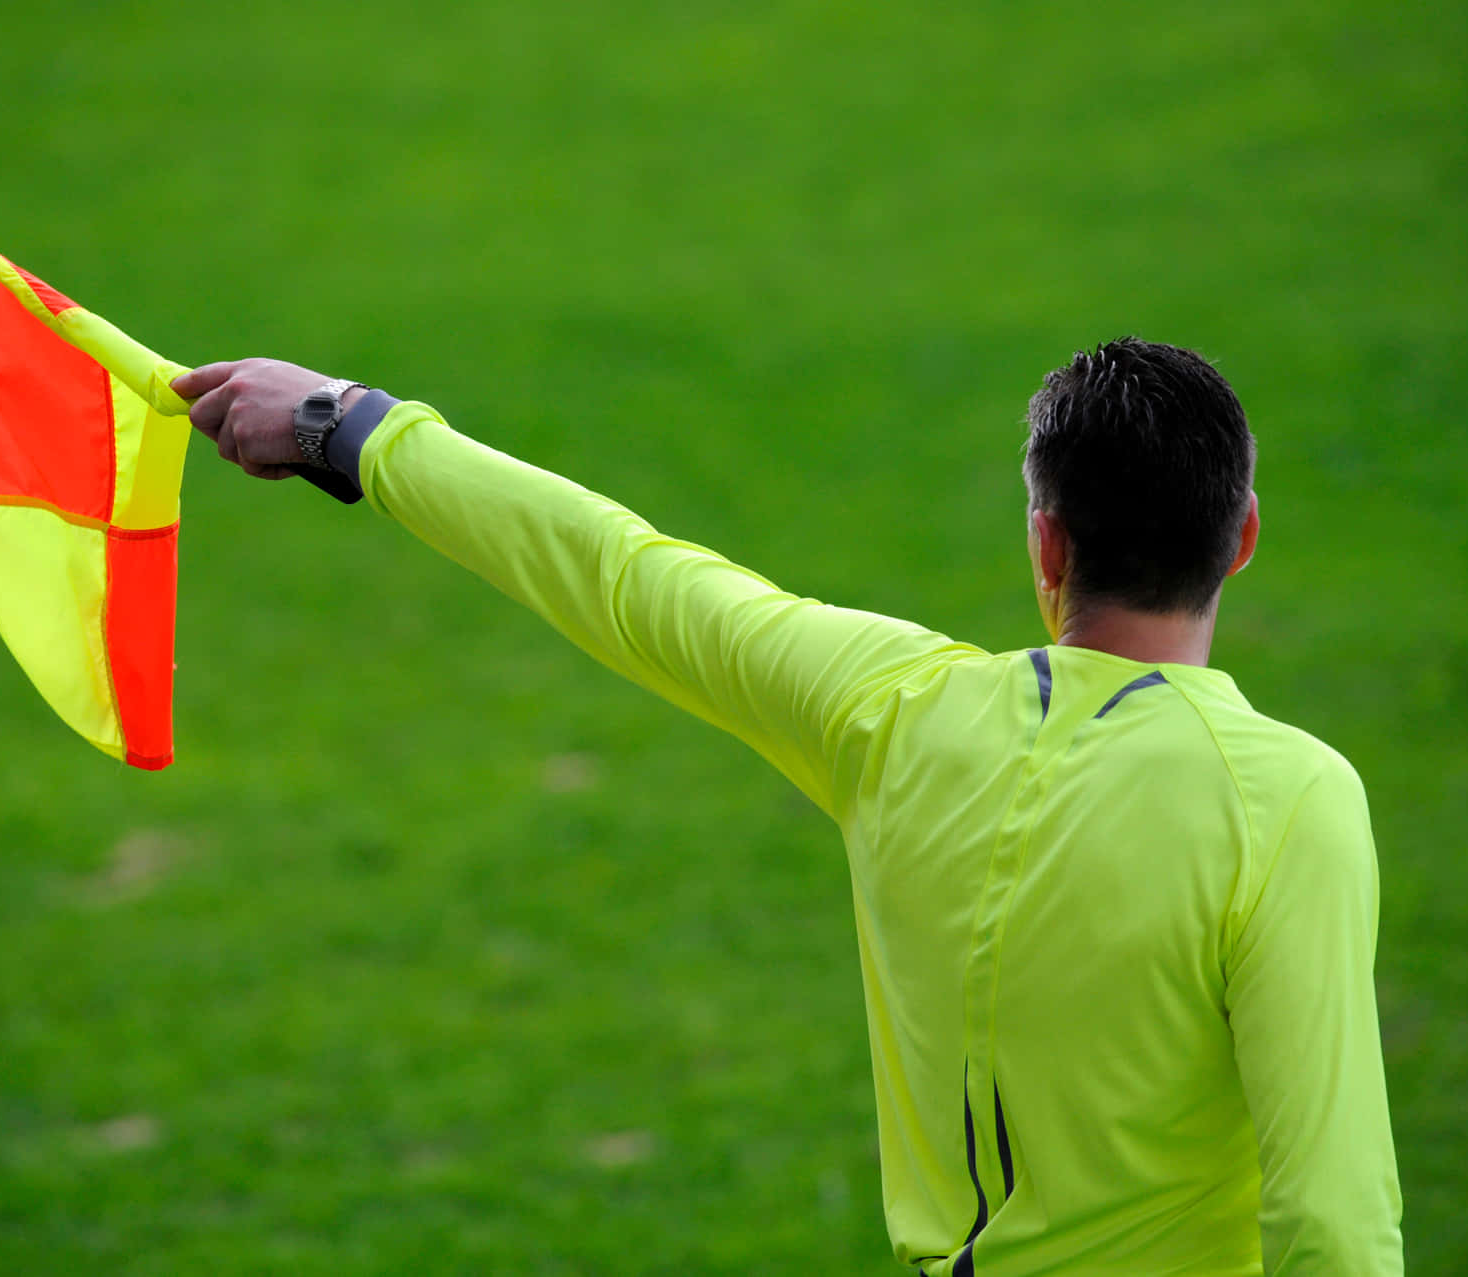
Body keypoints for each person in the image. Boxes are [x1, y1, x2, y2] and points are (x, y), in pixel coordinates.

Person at [170, 338, 1403, 1275]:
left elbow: (615, 567)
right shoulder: (1292, 798)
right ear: (1240, 537)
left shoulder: (888, 710)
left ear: (1046, 546)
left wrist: (348, 424)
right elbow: (1334, 1221)